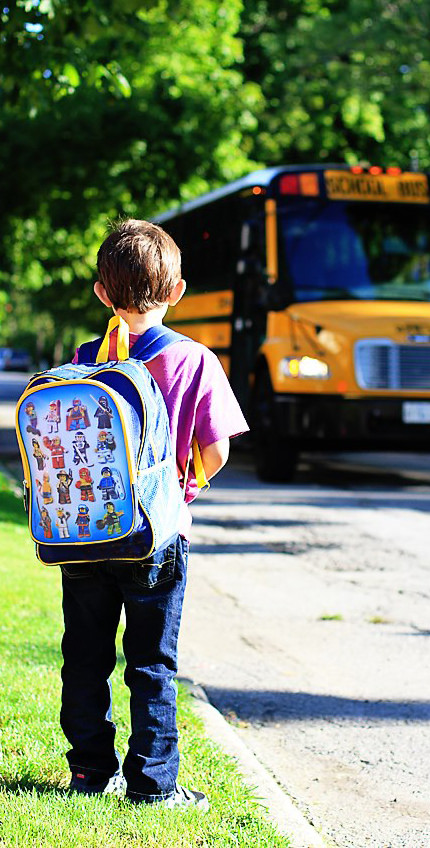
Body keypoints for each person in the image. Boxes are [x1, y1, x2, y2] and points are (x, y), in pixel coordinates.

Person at [61, 219, 248, 809]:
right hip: (157, 538)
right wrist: (190, 483)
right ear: (178, 291)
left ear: (101, 294)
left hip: (85, 534)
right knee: (151, 660)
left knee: (84, 655)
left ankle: (90, 770)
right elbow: (216, 450)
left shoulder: (86, 357)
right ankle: (152, 782)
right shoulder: (196, 361)